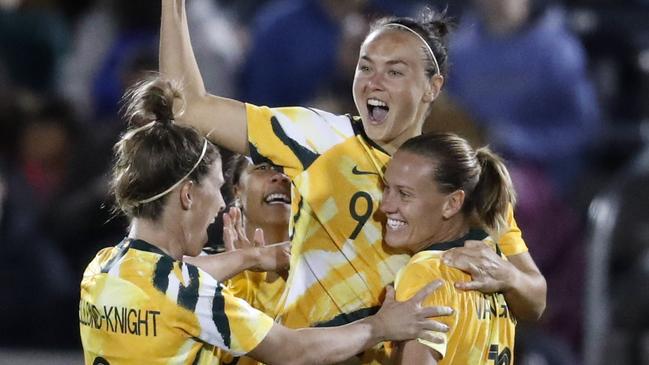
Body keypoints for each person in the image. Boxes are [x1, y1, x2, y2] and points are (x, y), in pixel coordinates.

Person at [160, 2, 546, 361]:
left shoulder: (462, 178)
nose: (373, 83)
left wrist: (508, 276)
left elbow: (535, 297)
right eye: (365, 67)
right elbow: (187, 106)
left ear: (433, 87)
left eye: (394, 71)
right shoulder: (318, 137)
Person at [79, 76, 452, 365]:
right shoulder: (188, 294)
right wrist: (380, 326)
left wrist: (252, 258)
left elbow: (173, 277)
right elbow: (290, 351)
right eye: (218, 189)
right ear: (188, 195)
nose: (220, 206)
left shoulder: (103, 270)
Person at [381, 133, 517, 364]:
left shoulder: (426, 274)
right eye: (386, 188)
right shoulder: (495, 260)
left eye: (404, 194)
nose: (385, 206)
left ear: (452, 203)